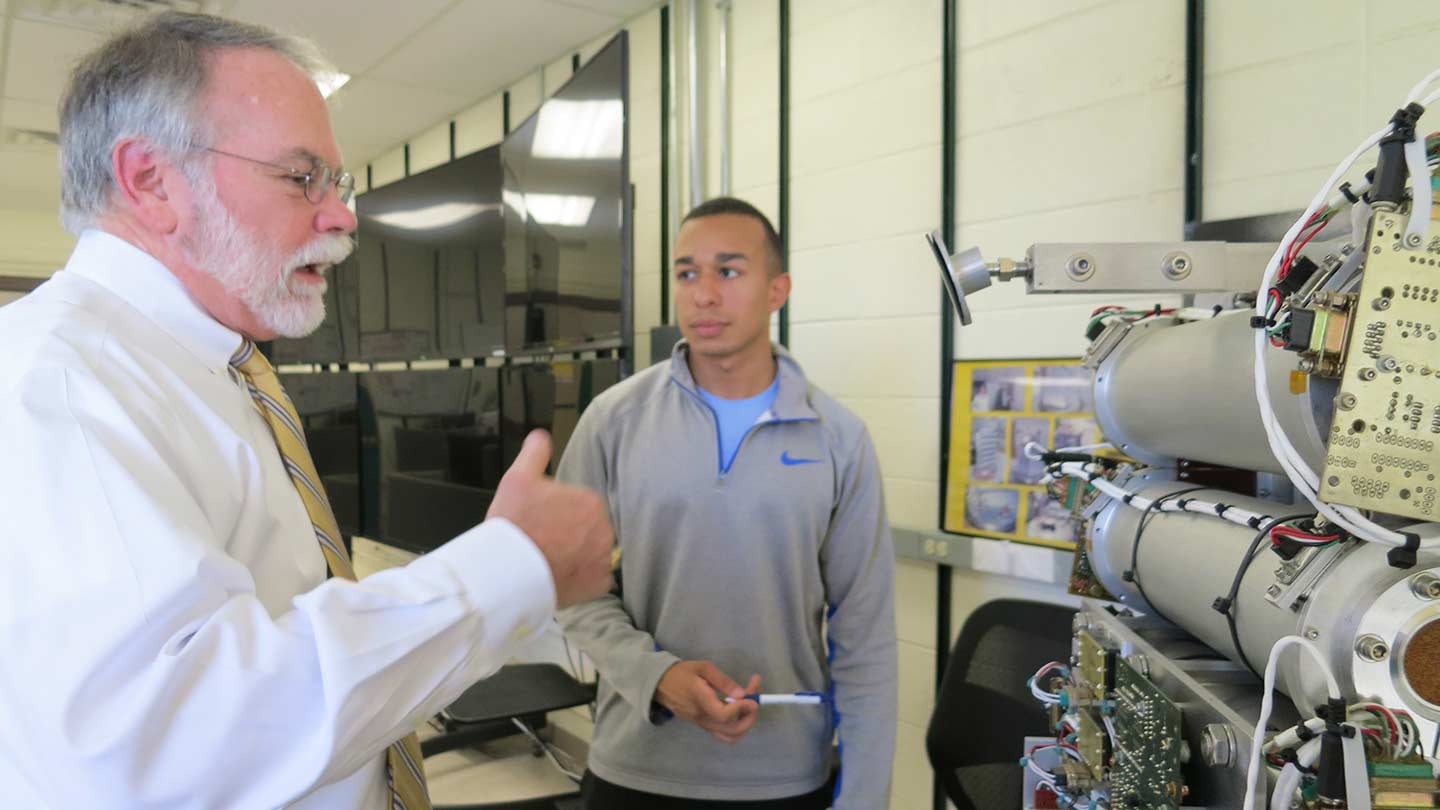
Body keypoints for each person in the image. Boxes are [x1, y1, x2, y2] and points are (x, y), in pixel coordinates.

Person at [0, 12, 613, 809]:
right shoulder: (63, 385)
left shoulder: (211, 368)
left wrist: (511, 586)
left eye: (339, 183)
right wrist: (507, 571)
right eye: (300, 178)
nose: (342, 217)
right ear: (150, 180)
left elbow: (286, 624)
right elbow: (171, 740)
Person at [559, 197, 898, 809]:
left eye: (729, 271)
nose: (703, 294)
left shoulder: (837, 439)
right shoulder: (614, 422)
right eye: (687, 273)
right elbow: (570, 588)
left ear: (777, 290)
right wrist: (655, 675)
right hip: (636, 769)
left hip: (785, 778)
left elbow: (866, 636)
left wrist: (866, 798)